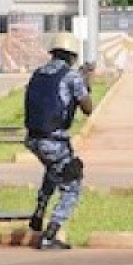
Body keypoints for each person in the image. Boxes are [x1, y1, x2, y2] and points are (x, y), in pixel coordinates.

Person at [24, 32, 92, 250]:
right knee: (72, 182)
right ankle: (51, 233)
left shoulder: (38, 73)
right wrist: (85, 82)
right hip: (53, 140)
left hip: (33, 138)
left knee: (54, 170)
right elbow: (88, 108)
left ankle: (39, 210)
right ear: (72, 55)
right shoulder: (71, 76)